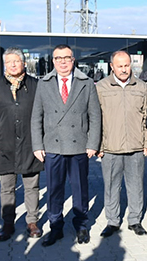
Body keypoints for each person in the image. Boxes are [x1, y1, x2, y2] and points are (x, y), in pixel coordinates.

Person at [31, 44, 101, 246]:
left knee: (80, 189)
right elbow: (36, 116)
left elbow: (95, 116)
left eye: (67, 57)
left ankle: (81, 226)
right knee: (54, 190)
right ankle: (56, 227)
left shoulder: (86, 83)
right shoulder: (43, 84)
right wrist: (37, 145)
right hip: (52, 147)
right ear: (53, 61)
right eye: (58, 58)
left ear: (73, 60)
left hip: (79, 146)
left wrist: (92, 143)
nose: (62, 61)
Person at [0, 47, 44, 241]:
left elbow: (43, 116)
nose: (12, 64)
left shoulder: (35, 85)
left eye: (16, 61)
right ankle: (8, 223)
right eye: (9, 61)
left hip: (30, 144)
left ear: (24, 63)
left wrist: (41, 143)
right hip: (6, 145)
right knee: (7, 187)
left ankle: (32, 222)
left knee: (31, 186)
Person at [96, 50, 147, 238]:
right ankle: (112, 221)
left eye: (127, 65)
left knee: (136, 185)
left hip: (135, 146)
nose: (124, 69)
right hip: (110, 147)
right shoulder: (101, 87)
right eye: (119, 66)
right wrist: (99, 145)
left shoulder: (141, 87)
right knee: (111, 186)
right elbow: (96, 118)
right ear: (112, 66)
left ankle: (135, 220)